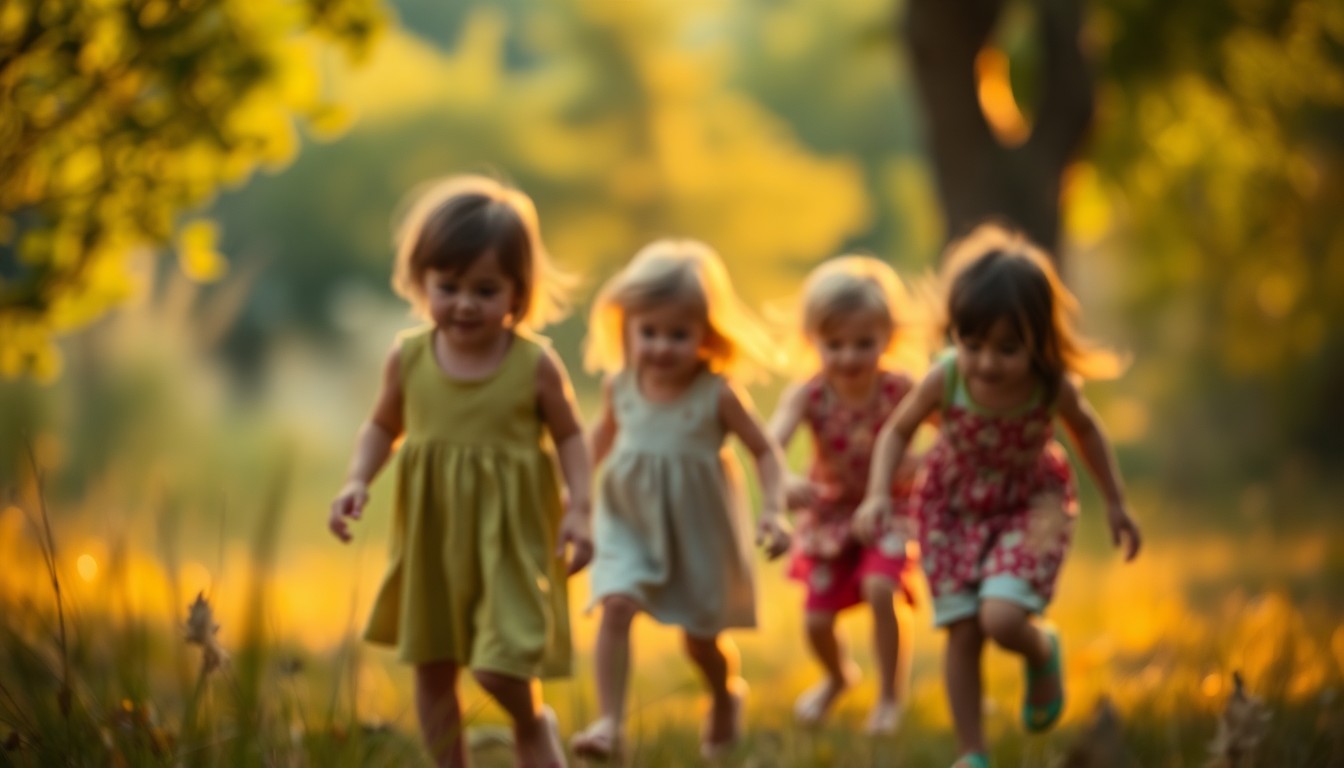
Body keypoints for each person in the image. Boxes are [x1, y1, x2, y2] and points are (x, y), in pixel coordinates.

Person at [328, 175, 593, 768]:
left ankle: (531, 720)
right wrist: (356, 481)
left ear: (518, 292)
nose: (465, 303)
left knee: (501, 665)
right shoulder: (410, 356)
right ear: (422, 282)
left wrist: (580, 507)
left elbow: (572, 436)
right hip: (434, 537)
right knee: (433, 664)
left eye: (486, 289)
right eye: (448, 286)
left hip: (512, 539)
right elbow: (381, 427)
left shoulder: (534, 364)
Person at [856, 224, 1142, 768]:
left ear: (1039, 340)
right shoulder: (946, 378)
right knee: (962, 629)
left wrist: (1117, 502)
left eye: (1007, 348)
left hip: (1030, 504)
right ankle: (973, 755)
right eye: (973, 344)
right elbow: (895, 430)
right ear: (954, 335)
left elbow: (1087, 431)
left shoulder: (1048, 384)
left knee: (1001, 619)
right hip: (953, 507)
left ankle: (1039, 649)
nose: (987, 362)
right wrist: (876, 495)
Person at [570, 239, 792, 761]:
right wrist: (572, 498)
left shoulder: (716, 394)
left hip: (699, 530)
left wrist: (774, 510)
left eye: (679, 333)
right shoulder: (620, 387)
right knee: (616, 604)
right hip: (628, 521)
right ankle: (609, 723)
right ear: (626, 328)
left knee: (700, 640)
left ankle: (723, 694)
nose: (662, 346)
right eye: (649, 331)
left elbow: (766, 451)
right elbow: (596, 443)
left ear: (707, 335)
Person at [767, 255, 932, 735]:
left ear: (888, 337)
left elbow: (955, 430)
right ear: (812, 340)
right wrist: (783, 479)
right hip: (831, 513)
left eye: (864, 343)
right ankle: (838, 677)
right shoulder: (808, 394)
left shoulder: (903, 387)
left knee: (881, 589)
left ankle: (889, 698)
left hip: (890, 509)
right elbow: (769, 443)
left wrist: (924, 462)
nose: (849, 356)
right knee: (816, 621)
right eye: (834, 344)